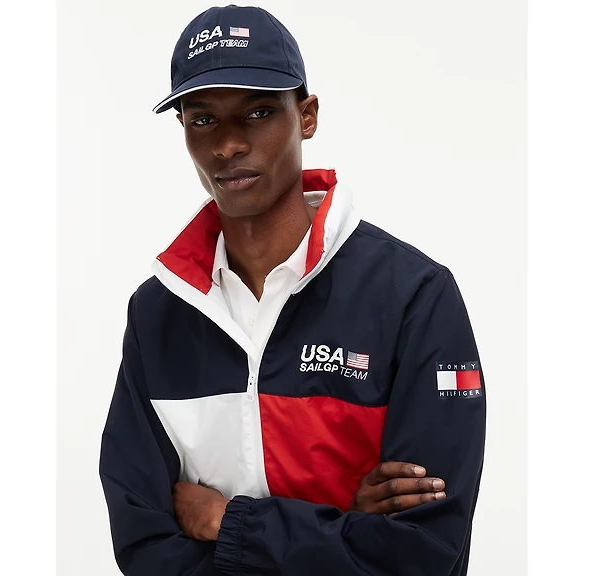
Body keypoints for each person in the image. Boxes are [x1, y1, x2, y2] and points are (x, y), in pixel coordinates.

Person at [99, 4, 486, 576]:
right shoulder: (158, 312)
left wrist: (230, 523)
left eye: (257, 112)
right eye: (203, 119)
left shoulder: (414, 296)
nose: (228, 145)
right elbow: (143, 545)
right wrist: (340, 526)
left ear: (306, 116)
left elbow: (423, 551)